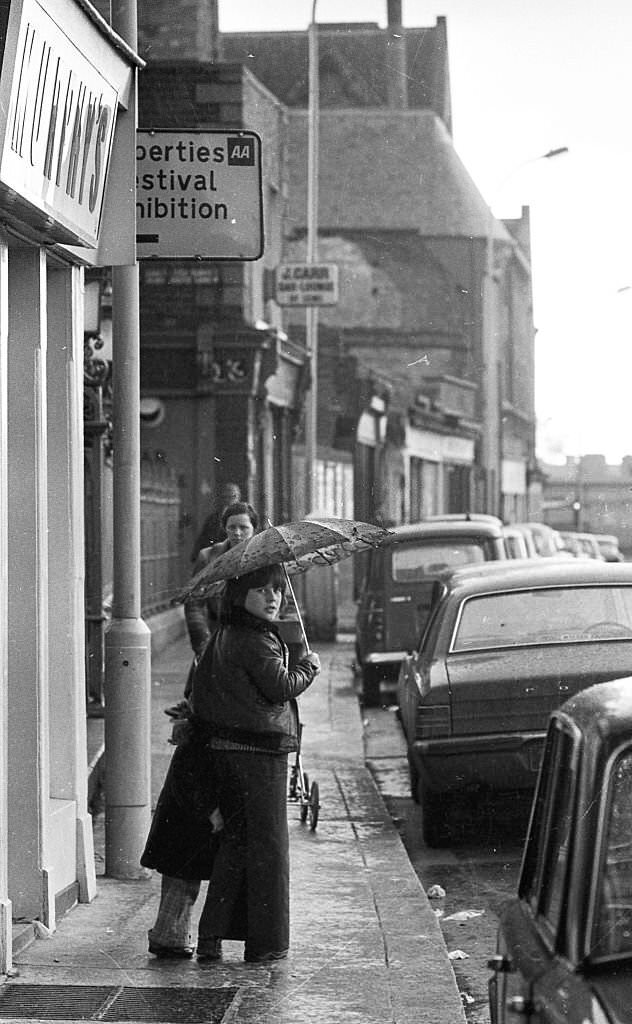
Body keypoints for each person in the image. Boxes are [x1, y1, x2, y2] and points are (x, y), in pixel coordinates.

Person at [190, 563, 321, 963]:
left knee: (236, 843)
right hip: (259, 755)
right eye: (262, 590)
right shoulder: (254, 639)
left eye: (277, 590)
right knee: (268, 849)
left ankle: (212, 936)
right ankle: (265, 944)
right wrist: (308, 666)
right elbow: (280, 687)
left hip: (229, 752)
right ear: (240, 596)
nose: (273, 597)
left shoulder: (225, 635)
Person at [185, 500, 259, 662]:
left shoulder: (265, 558)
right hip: (217, 640)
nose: (237, 533)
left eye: (244, 528)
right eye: (232, 527)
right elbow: (194, 605)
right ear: (225, 528)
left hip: (256, 641)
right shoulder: (208, 557)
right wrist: (202, 643)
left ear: (254, 529)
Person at [190, 482, 241, 563]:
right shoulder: (213, 519)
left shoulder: (244, 519)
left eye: (232, 497)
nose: (228, 500)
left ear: (238, 498)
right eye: (225, 497)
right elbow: (203, 540)